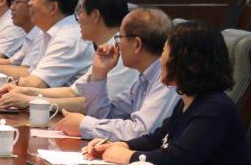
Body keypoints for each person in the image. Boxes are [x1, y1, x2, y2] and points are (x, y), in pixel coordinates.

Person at [87, 21, 251, 165]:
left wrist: (128, 156)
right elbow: (157, 139)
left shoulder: (215, 108)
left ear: (187, 61)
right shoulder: (188, 99)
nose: (160, 60)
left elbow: (178, 161)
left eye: (164, 51)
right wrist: (120, 145)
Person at [0, 0, 135, 111]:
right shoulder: (106, 48)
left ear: (95, 15)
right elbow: (73, 92)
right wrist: (24, 91)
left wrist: (32, 101)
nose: (77, 20)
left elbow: (98, 104)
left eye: (80, 13)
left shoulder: (121, 52)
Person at [53, 8, 178, 139]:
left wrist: (84, 124)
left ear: (137, 44)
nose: (117, 45)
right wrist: (99, 75)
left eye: (119, 37)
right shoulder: (143, 80)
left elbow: (143, 132)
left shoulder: (168, 80)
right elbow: (105, 117)